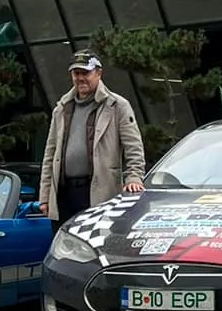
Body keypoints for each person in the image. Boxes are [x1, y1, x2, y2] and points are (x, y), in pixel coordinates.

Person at [40, 53, 146, 225]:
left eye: (86, 73)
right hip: (63, 193)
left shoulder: (117, 106)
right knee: (63, 240)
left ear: (99, 73)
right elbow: (50, 154)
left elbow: (134, 148)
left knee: (96, 238)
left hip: (100, 193)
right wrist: (45, 197)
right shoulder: (61, 108)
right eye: (76, 73)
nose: (81, 78)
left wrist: (134, 178)